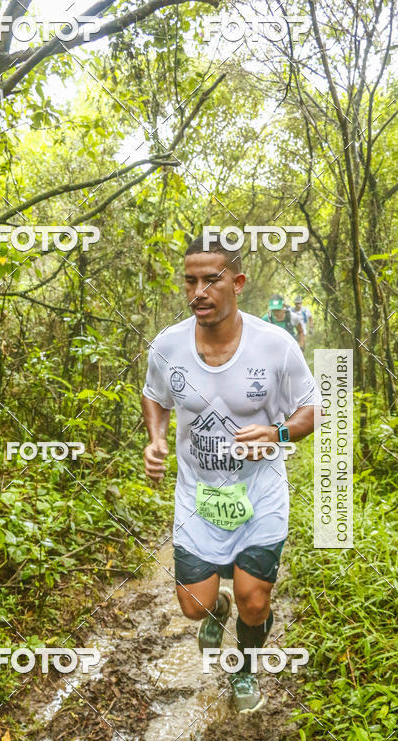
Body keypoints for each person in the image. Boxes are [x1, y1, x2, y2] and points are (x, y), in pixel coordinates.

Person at [141, 234, 321, 714]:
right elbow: (154, 395)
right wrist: (157, 439)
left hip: (260, 492)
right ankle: (215, 609)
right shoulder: (168, 345)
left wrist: (277, 433)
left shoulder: (275, 346)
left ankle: (244, 669)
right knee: (193, 605)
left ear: (237, 283)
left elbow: (311, 411)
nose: (198, 291)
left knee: (254, 600)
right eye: (190, 281)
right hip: (198, 495)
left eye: (211, 280)